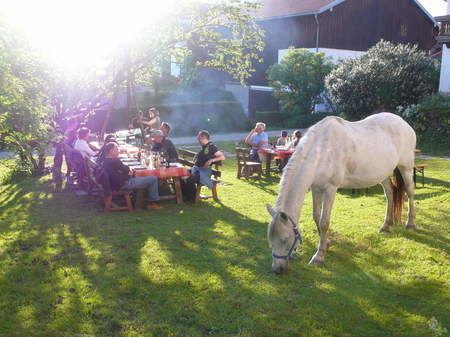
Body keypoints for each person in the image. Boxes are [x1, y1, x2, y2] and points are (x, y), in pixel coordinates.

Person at [100, 142, 163, 210]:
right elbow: (126, 170)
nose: (118, 151)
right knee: (153, 179)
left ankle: (139, 201)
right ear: (111, 151)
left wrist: (127, 172)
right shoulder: (115, 161)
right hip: (123, 184)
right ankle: (152, 203)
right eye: (117, 149)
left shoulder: (105, 160)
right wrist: (127, 173)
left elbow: (125, 170)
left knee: (141, 177)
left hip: (114, 184)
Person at [182, 131, 225, 201]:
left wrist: (211, 160)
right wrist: (198, 155)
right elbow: (204, 155)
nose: (197, 139)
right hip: (197, 169)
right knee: (182, 175)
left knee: (190, 179)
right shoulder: (204, 146)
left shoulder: (212, 146)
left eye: (199, 137)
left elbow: (222, 157)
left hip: (203, 172)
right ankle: (187, 195)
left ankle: (191, 197)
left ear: (203, 137)